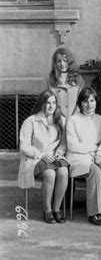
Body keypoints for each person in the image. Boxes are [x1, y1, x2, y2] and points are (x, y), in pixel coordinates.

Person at [18, 90, 69, 224]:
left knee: (64, 172)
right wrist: (41, 155)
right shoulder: (31, 121)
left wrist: (59, 152)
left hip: (54, 157)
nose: (51, 106)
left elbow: (63, 143)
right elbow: (24, 146)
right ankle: (47, 210)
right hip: (35, 158)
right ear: (41, 104)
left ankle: (56, 208)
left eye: (53, 103)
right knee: (50, 174)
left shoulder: (61, 120)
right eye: (47, 103)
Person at [66, 87, 101, 226]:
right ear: (80, 103)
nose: (89, 104)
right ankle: (94, 212)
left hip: (96, 155)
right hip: (78, 157)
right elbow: (72, 145)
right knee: (95, 171)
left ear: (96, 102)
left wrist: (99, 152)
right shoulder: (73, 120)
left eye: (92, 100)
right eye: (85, 101)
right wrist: (93, 150)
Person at [46, 47, 85, 118]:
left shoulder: (78, 79)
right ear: (55, 63)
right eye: (59, 61)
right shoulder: (50, 80)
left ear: (69, 61)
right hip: (56, 120)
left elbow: (81, 101)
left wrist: (73, 119)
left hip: (75, 119)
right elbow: (46, 101)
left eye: (65, 60)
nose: (62, 64)